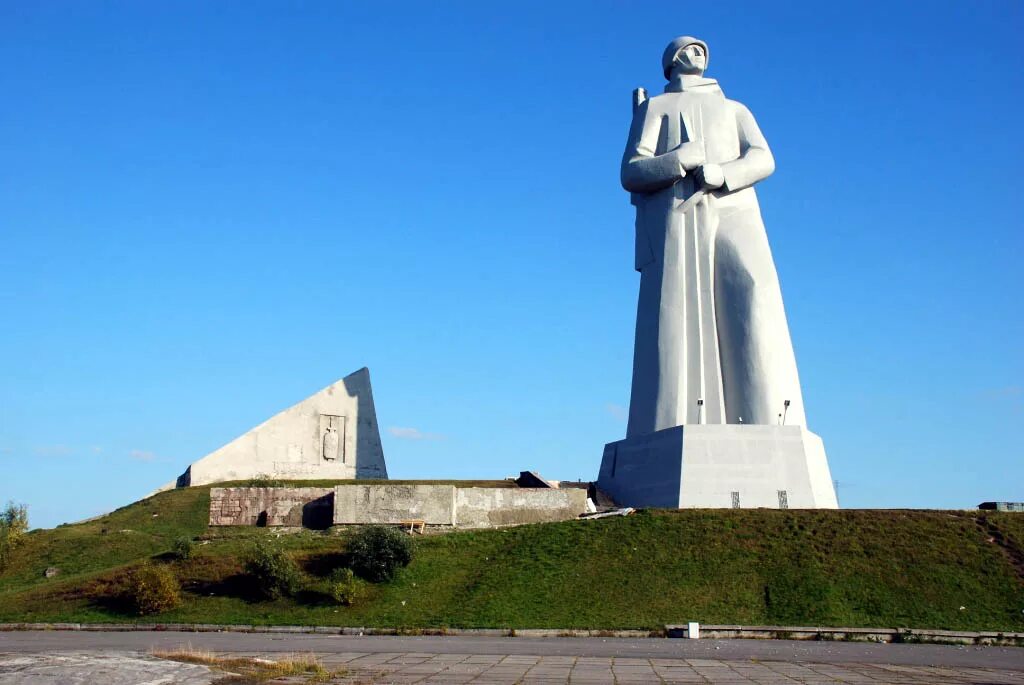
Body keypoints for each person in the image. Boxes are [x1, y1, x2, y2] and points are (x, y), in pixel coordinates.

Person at [621, 36, 807, 436]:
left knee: (754, 295)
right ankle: (669, 422)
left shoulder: (734, 108)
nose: (698, 53)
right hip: (678, 216)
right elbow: (632, 171)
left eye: (702, 48)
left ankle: (771, 419)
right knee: (677, 313)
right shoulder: (656, 106)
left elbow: (763, 156)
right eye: (688, 49)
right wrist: (676, 161)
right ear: (671, 62)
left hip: (736, 208)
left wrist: (726, 174)